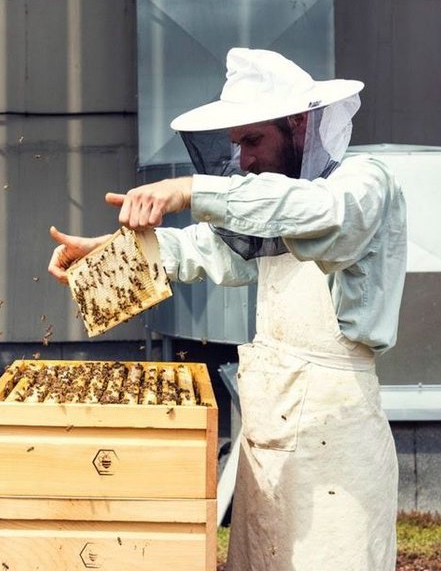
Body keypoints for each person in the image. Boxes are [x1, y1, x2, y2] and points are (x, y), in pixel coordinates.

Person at [48, 48, 407, 571]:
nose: (245, 162)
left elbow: (321, 215)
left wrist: (190, 189)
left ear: (300, 124)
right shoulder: (276, 212)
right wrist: (106, 255)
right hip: (269, 446)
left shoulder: (364, 184)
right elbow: (200, 250)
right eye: (237, 146)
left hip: (340, 453)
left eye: (254, 140)